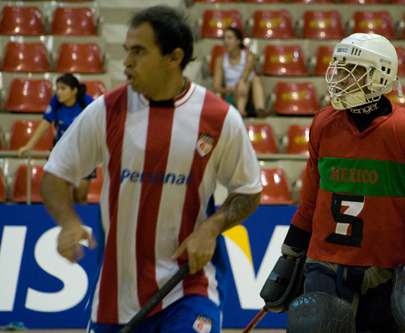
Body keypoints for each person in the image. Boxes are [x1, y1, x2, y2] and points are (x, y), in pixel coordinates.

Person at [40, 5, 262, 332]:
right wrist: (69, 222)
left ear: (173, 58)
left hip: (189, 286)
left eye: (139, 52)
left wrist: (210, 228)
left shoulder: (219, 117)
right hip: (117, 298)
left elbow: (249, 191)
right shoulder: (106, 111)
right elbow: (55, 176)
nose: (127, 62)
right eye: (127, 51)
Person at [277, 33, 405, 331]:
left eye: (353, 69)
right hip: (324, 263)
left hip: (385, 271)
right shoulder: (322, 123)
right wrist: (291, 249)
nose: (341, 77)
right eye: (340, 68)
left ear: (381, 75)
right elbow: (310, 202)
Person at [18, 74, 95, 204]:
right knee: (60, 195)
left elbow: (99, 122)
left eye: (63, 88)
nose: (58, 92)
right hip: (62, 154)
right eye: (57, 88)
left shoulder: (86, 102)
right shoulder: (56, 102)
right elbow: (45, 123)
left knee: (80, 198)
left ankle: (81, 224)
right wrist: (29, 146)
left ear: (74, 90)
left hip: (84, 154)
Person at [212, 27, 268, 118]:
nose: (226, 41)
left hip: (250, 95)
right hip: (233, 95)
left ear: (238, 41)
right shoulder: (220, 60)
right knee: (242, 84)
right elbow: (216, 88)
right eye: (224, 38)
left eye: (229, 38)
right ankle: (240, 111)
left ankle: (260, 109)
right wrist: (231, 89)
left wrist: (241, 82)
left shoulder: (248, 56)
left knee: (255, 79)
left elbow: (247, 72)